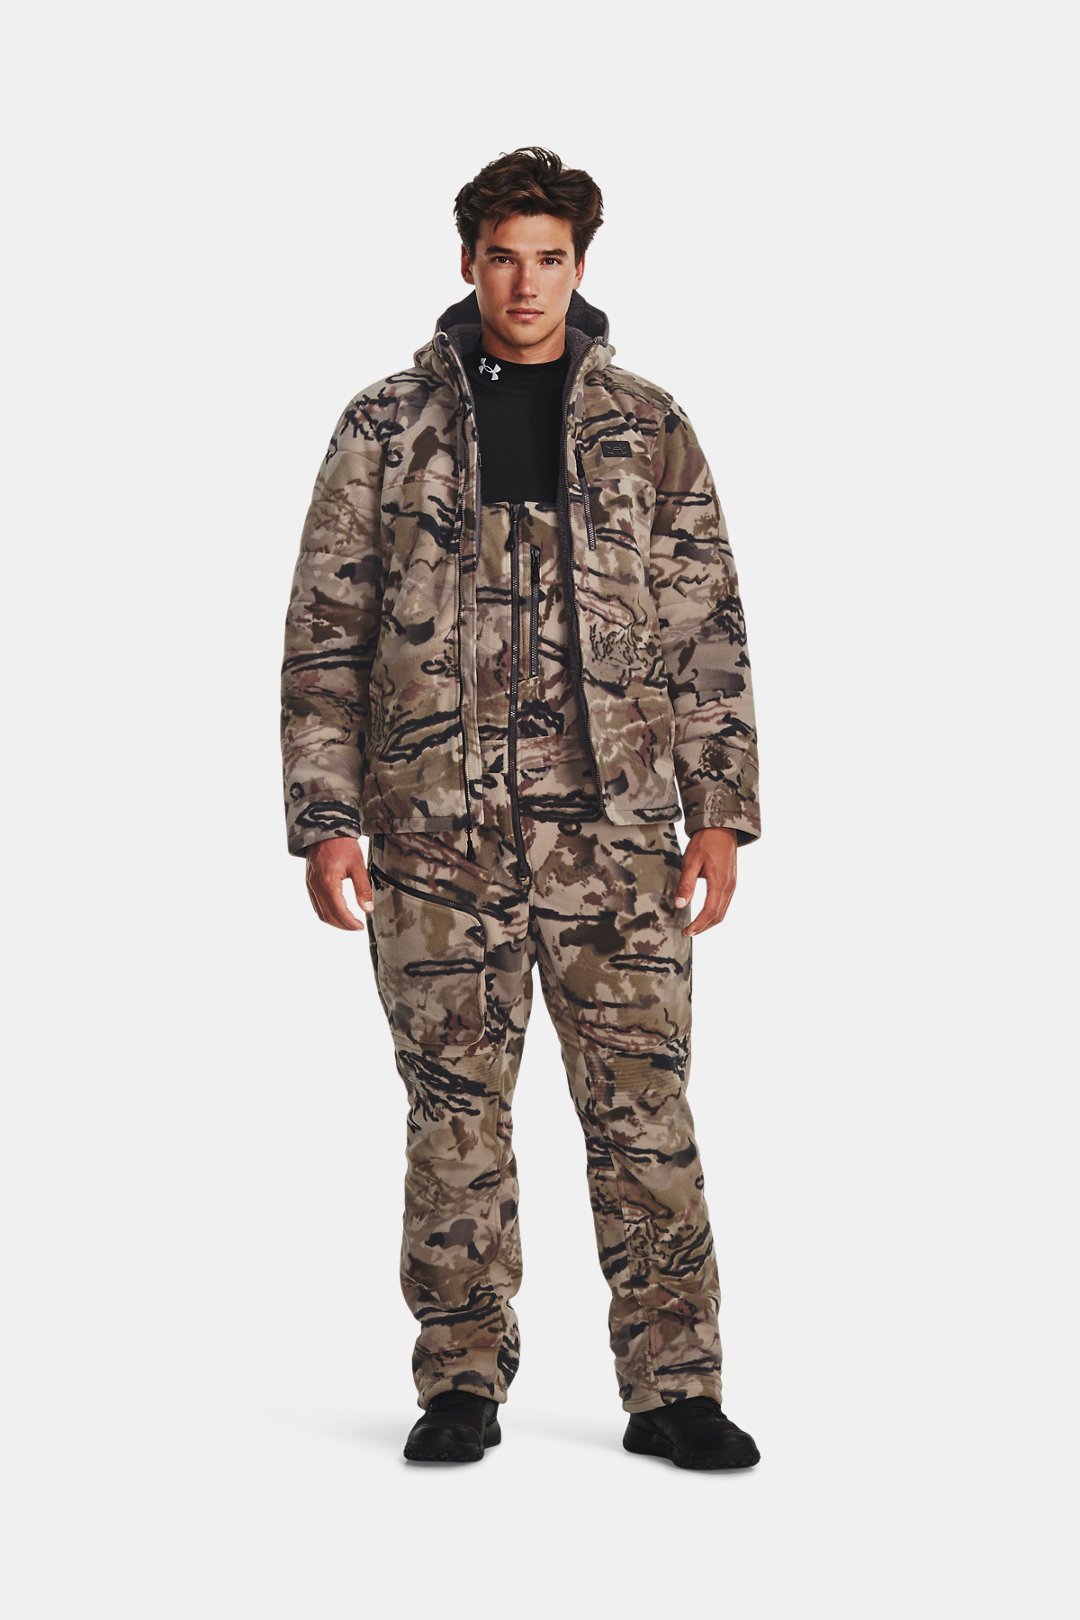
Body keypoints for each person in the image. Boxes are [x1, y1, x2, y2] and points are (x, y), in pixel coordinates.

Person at [280, 146, 763, 1469]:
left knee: (643, 1109)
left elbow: (706, 628)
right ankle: (460, 1378)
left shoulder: (648, 427)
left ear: (581, 265)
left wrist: (720, 811)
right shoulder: (386, 427)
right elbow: (325, 636)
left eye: (550, 258)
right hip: (433, 834)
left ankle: (675, 1388)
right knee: (452, 1113)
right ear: (468, 262)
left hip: (615, 834)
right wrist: (325, 817)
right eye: (503, 257)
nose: (526, 282)